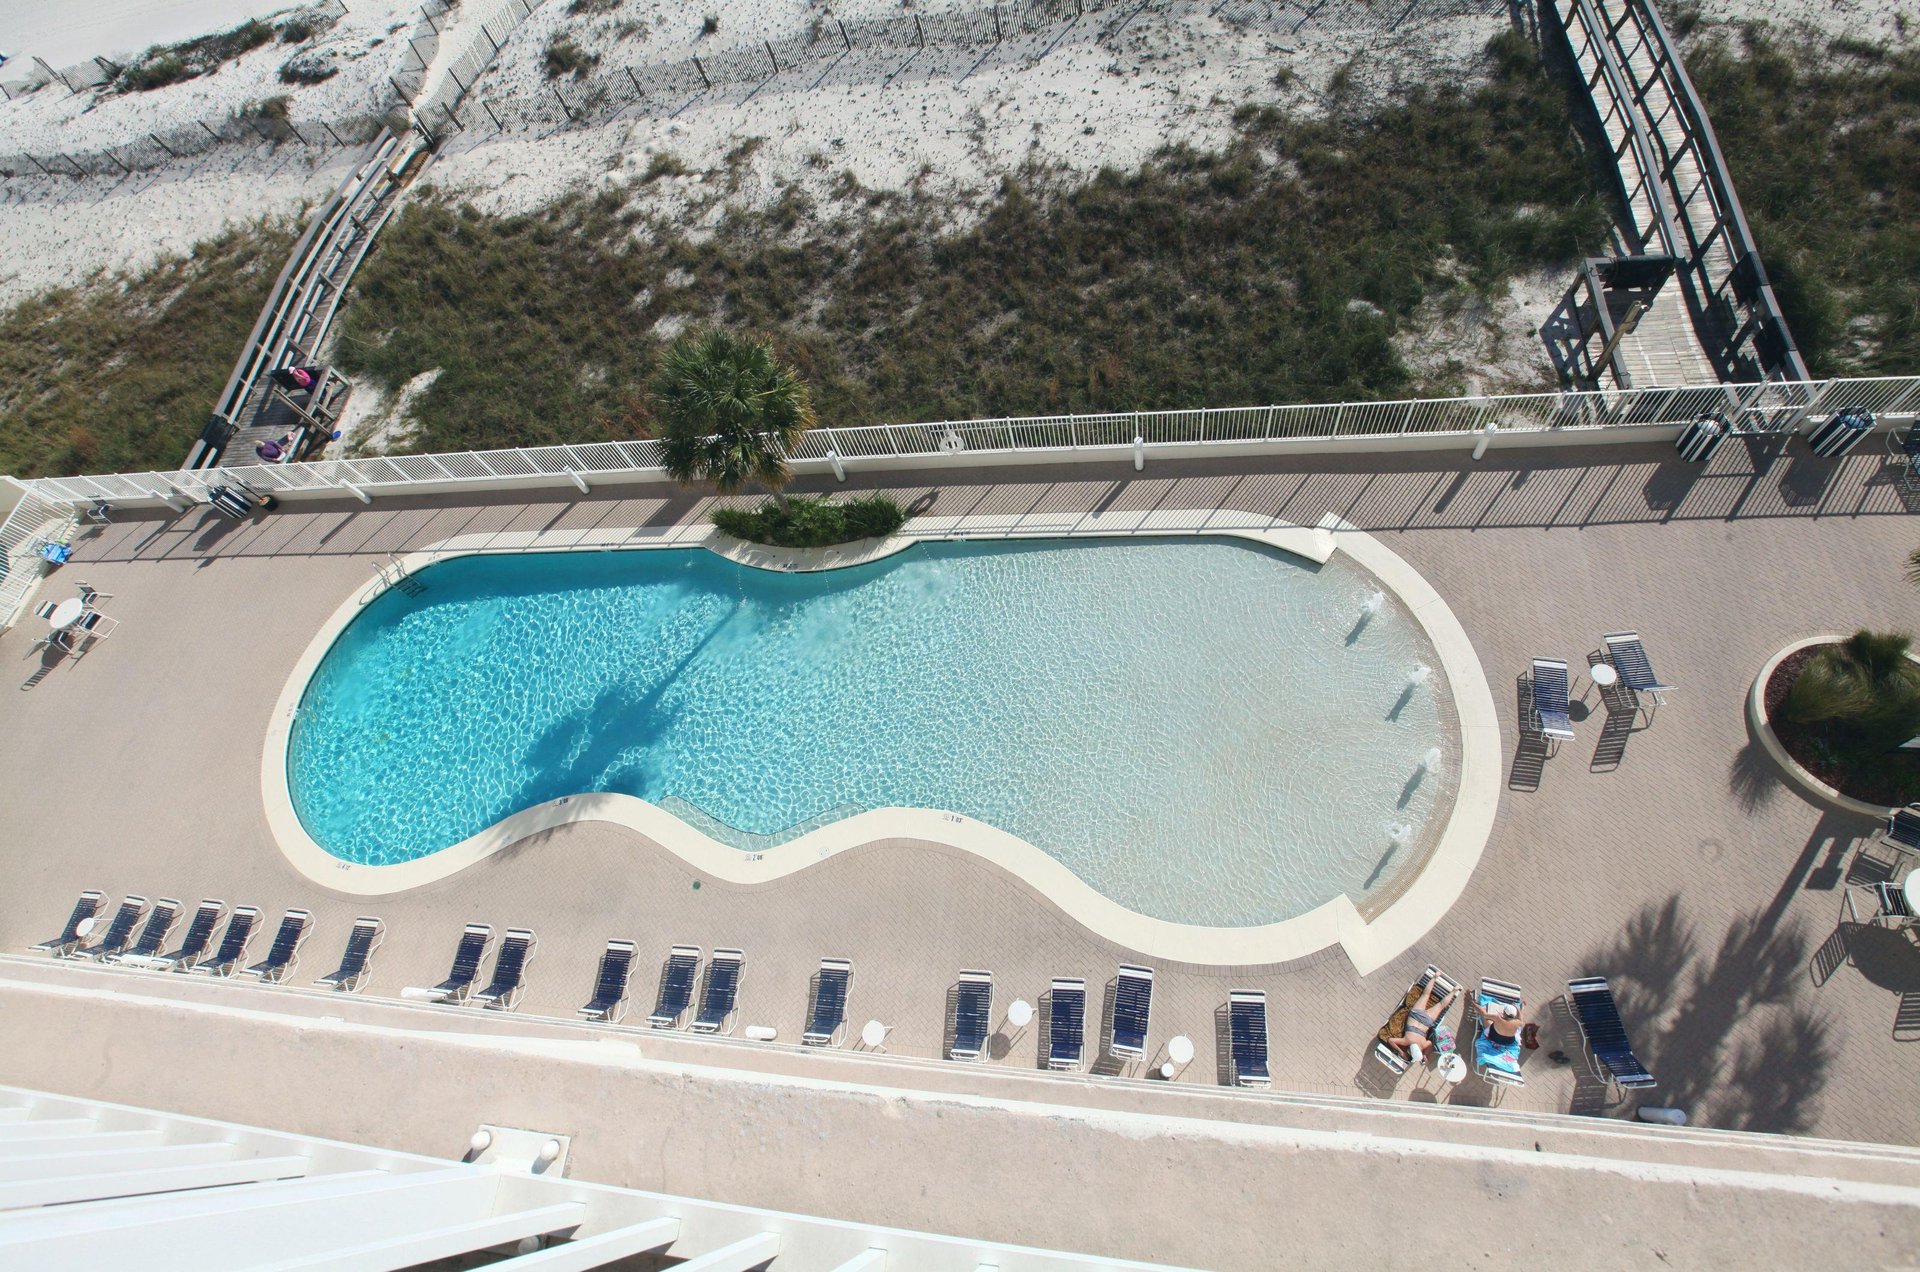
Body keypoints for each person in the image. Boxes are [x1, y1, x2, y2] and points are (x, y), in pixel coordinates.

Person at [1386, 982, 1460, 1063]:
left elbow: (1430, 1043)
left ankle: (1454, 990)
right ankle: (1435, 977)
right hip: (1415, 1014)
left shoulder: (1423, 1045)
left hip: (1427, 1021)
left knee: (1441, 1005)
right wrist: (1401, 1052)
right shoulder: (1406, 1041)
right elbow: (1390, 1040)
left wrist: (1425, 1054)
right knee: (1425, 995)